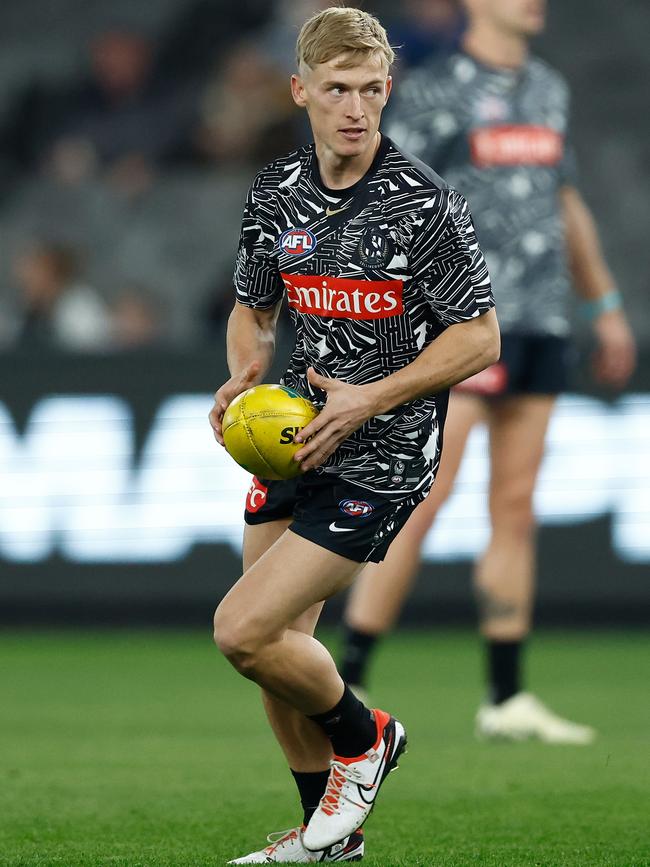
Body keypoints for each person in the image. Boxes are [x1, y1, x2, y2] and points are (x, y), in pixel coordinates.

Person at [208, 7, 499, 863]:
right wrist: (243, 371)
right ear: (300, 90)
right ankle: (326, 838)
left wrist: (370, 398)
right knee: (275, 653)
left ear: (387, 93)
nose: (355, 108)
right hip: (295, 435)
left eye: (371, 90)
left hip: (383, 452)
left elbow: (478, 337)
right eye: (337, 89)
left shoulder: (423, 206)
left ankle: (366, 735)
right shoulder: (276, 191)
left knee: (243, 631)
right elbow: (252, 306)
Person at [339, 0, 636, 745]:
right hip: (465, 326)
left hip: (540, 320)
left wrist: (603, 303)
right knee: (425, 495)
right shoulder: (438, 91)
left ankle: (505, 695)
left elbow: (563, 199)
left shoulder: (547, 88)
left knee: (515, 506)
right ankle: (346, 676)